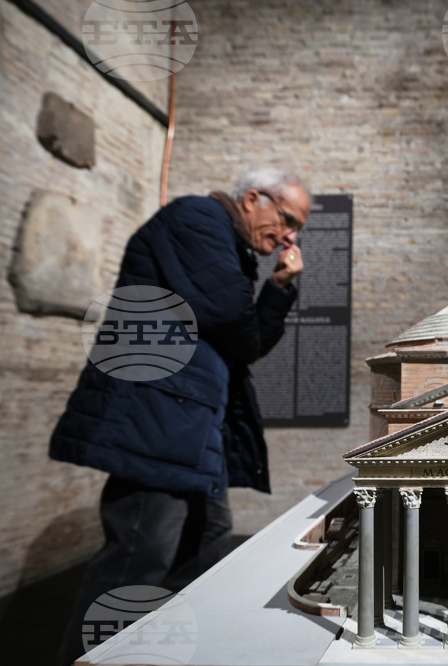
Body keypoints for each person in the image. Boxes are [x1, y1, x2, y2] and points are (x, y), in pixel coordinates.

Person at [50, 167, 310, 665]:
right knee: (135, 562)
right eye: (287, 219)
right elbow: (240, 328)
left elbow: (244, 343)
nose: (290, 236)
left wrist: (278, 288)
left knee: (204, 551)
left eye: (296, 228)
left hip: (188, 427)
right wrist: (273, 294)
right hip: (157, 422)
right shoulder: (198, 218)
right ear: (253, 198)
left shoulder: (227, 244)